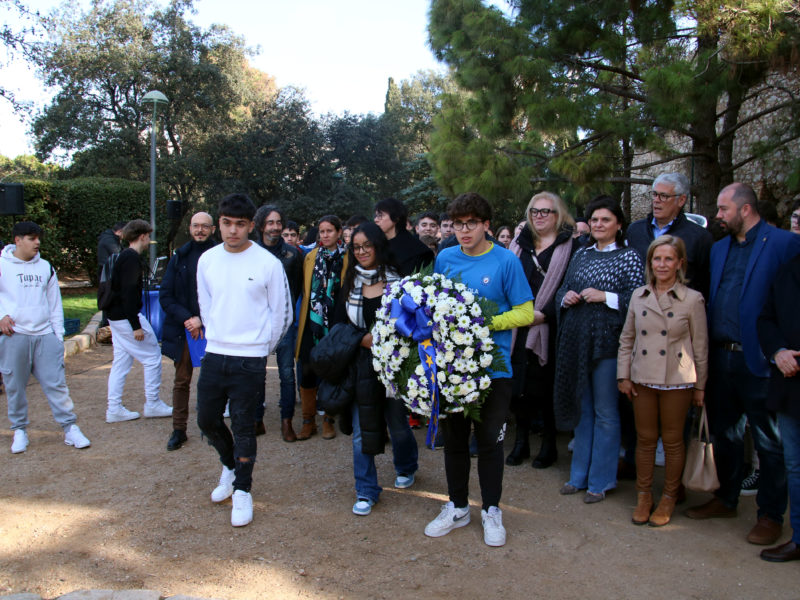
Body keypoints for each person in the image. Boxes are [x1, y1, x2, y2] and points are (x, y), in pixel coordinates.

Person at [685, 182, 800, 547]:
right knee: (726, 435)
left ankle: (769, 515)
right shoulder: (719, 249)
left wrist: (781, 348)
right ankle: (727, 498)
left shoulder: (783, 244)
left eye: (723, 209)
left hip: (763, 360)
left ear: (745, 209)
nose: (717, 216)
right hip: (721, 356)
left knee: (770, 443)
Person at [424, 192, 533, 547]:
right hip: (451, 368)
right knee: (454, 441)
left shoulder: (506, 261)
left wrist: (483, 322)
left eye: (471, 223)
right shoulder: (445, 257)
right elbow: (434, 305)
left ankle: (491, 510)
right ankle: (457, 507)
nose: (464, 230)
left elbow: (526, 312)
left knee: (488, 442)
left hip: (493, 369)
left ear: (486, 225)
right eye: (458, 224)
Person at [196, 193, 291, 527]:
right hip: (215, 353)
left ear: (252, 226)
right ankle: (230, 465)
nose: (232, 231)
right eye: (226, 223)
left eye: (240, 224)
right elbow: (205, 304)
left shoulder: (268, 263)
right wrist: (216, 335)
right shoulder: (206, 260)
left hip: (250, 358)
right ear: (218, 223)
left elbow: (281, 315)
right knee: (206, 420)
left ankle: (243, 489)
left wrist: (260, 348)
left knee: (243, 425)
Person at [554, 196, 644, 503]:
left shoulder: (630, 256)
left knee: (606, 412)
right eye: (594, 220)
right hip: (577, 342)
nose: (598, 225)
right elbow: (564, 287)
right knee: (584, 412)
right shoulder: (581, 254)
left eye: (605, 220)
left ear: (618, 224)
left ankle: (601, 481)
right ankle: (578, 476)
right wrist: (565, 298)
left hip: (608, 345)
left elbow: (637, 299)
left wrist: (605, 295)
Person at [617, 235, 708, 526]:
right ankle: (644, 496)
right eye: (657, 258)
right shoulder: (638, 295)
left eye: (669, 258)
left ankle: (669, 496)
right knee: (644, 440)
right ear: (650, 262)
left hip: (677, 380)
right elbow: (627, 338)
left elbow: (701, 345)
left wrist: (700, 386)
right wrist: (623, 375)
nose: (662, 264)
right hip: (643, 376)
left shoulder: (692, 300)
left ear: (680, 263)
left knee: (671, 441)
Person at [333, 222, 419, 516]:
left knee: (398, 426)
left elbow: (411, 323)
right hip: (359, 367)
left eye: (367, 246)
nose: (361, 252)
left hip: (393, 365)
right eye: (356, 247)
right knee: (361, 431)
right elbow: (338, 326)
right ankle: (366, 490)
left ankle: (407, 465)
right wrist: (361, 339)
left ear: (379, 246)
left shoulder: (399, 281)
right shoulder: (348, 281)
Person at [0, 221, 91, 453]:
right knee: (15, 386)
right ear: (17, 240)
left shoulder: (46, 267)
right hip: (15, 336)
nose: (37, 242)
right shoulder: (2, 265)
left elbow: (54, 304)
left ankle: (70, 428)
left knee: (57, 384)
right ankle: (19, 430)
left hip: (45, 336)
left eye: (38, 237)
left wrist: (57, 336)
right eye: (31, 238)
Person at [507, 192, 578, 469]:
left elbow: (569, 286)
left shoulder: (571, 246)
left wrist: (544, 315)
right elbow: (507, 280)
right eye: (534, 210)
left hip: (551, 326)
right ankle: (521, 441)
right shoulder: (518, 244)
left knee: (545, 387)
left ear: (558, 215)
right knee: (518, 387)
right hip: (519, 325)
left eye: (545, 211)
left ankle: (549, 444)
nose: (539, 216)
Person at [158, 211, 216, 451]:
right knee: (181, 381)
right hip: (185, 329)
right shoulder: (178, 257)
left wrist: (202, 319)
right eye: (195, 226)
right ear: (190, 228)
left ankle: (212, 429)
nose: (199, 230)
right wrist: (188, 319)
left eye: (204, 226)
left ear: (213, 229)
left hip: (213, 328)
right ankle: (179, 429)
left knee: (213, 382)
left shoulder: (220, 257)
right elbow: (165, 295)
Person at [105, 219, 173, 423]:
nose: (149, 240)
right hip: (127, 317)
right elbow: (128, 293)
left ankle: (114, 408)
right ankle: (152, 403)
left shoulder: (124, 257)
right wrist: (136, 326)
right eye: (148, 236)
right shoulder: (131, 259)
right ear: (142, 236)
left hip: (116, 316)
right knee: (152, 357)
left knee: (121, 362)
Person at [757, 253, 800, 561]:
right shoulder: (789, 267)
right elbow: (767, 317)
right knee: (795, 467)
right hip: (790, 382)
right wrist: (778, 351)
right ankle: (799, 536)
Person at [295, 215, 348, 440]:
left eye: (329, 231)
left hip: (335, 321)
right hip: (312, 321)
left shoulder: (347, 258)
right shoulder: (309, 257)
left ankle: (328, 418)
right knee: (307, 370)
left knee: (331, 370)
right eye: (322, 231)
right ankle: (308, 421)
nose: (325, 235)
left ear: (339, 233)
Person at [254, 204, 303, 441]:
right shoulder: (251, 252)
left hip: (284, 322)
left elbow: (295, 290)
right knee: (256, 372)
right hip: (256, 323)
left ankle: (286, 421)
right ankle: (256, 419)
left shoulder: (293, 255)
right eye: (270, 222)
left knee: (286, 372)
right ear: (261, 225)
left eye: (278, 222)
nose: (275, 227)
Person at [626, 173, 713, 298]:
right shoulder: (635, 230)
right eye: (655, 194)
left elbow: (705, 284)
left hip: (679, 311)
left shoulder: (699, 238)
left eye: (664, 196)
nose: (656, 200)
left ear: (681, 200)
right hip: (641, 308)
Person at [374, 198, 434, 276]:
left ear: (396, 217)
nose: (376, 220)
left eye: (380, 216)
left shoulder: (419, 251)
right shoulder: (376, 245)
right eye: (376, 216)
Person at [96, 221, 126, 329]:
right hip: (107, 274)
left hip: (107, 273)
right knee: (108, 297)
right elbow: (118, 256)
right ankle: (106, 324)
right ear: (120, 231)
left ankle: (107, 323)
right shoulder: (110, 241)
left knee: (108, 297)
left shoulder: (110, 238)